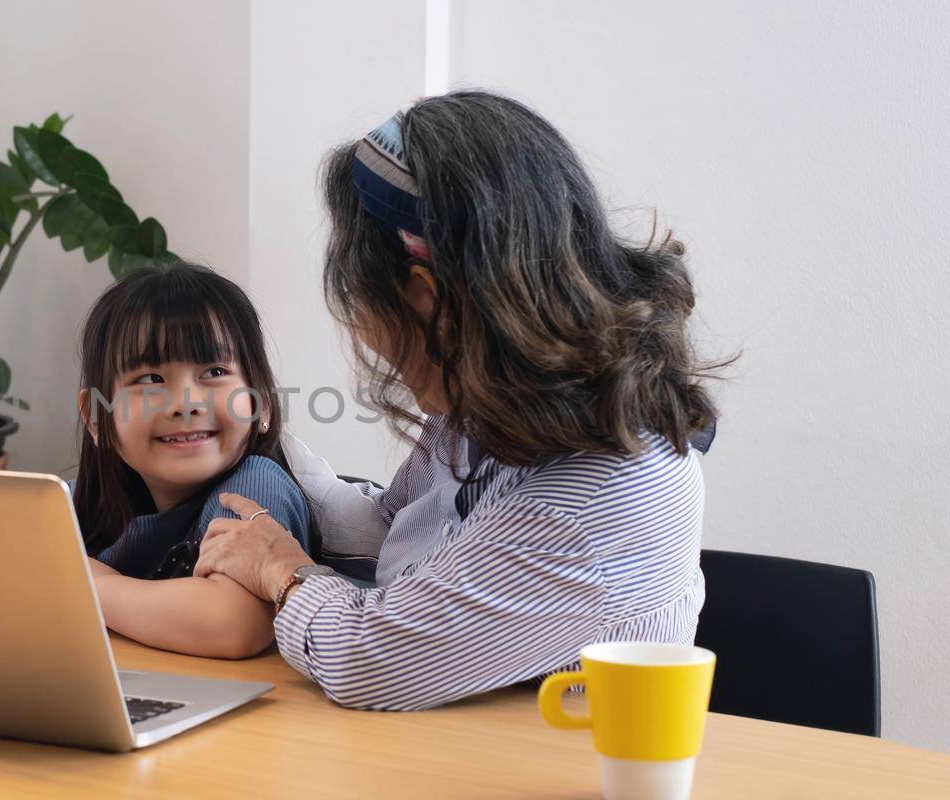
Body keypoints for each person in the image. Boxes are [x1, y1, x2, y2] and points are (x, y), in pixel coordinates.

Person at [195, 91, 723, 709]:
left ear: (425, 296)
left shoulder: (589, 496)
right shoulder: (496, 407)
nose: (362, 327)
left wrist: (283, 570)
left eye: (361, 301)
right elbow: (400, 528)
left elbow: (368, 661)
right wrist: (274, 459)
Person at [71, 261, 313, 660]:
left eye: (214, 371)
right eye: (150, 379)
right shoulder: (90, 500)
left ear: (262, 402)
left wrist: (81, 582)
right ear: (97, 417)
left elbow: (231, 624)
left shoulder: (253, 485)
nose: (186, 404)